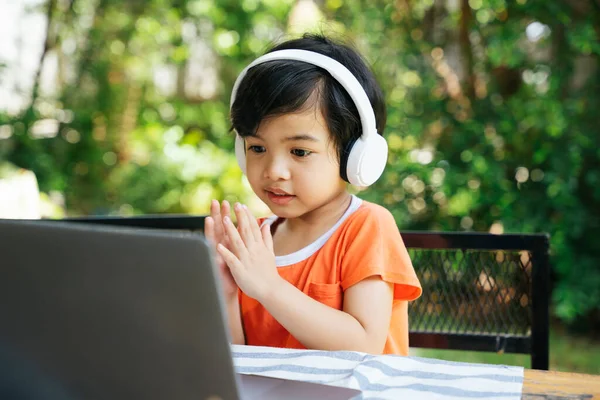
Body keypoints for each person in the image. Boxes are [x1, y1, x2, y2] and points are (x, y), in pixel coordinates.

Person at [205, 33, 422, 355]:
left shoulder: (366, 227)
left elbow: (364, 346)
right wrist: (224, 292)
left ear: (355, 156)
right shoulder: (257, 243)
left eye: (300, 151)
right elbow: (241, 358)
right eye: (257, 147)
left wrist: (269, 287)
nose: (274, 170)